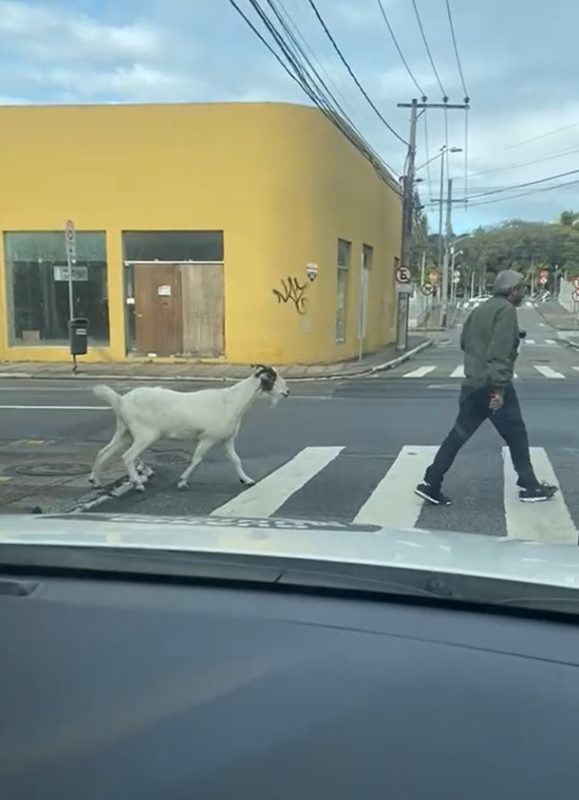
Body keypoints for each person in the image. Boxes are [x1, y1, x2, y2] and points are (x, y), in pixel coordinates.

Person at [415, 269, 557, 505]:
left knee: (458, 434)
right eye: (521, 289)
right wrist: (499, 390)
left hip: (472, 383)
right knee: (517, 435)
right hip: (492, 385)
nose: (523, 293)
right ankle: (529, 486)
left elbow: (465, 342)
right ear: (512, 291)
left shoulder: (480, 310)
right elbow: (499, 353)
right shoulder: (506, 310)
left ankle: (431, 482)